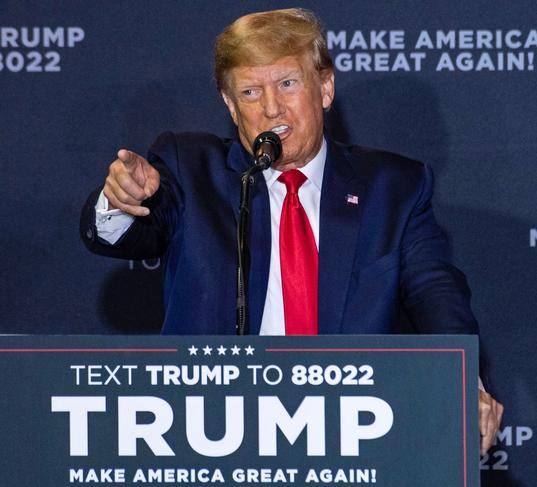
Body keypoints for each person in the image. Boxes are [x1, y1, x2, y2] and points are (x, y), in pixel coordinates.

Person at [80, 8, 502, 454]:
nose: (271, 108)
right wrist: (121, 200)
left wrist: (461, 382)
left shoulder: (393, 187)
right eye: (250, 91)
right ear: (229, 104)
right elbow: (129, 234)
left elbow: (435, 292)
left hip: (349, 436)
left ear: (325, 87)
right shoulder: (192, 168)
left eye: (287, 84)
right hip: (209, 437)